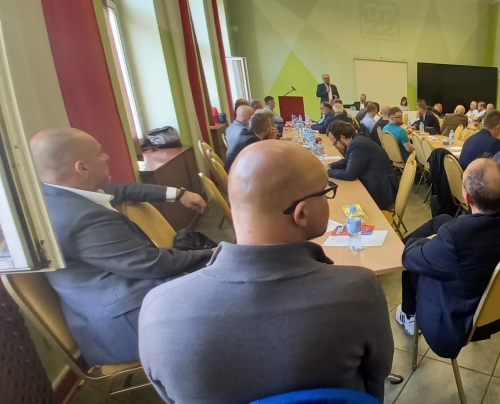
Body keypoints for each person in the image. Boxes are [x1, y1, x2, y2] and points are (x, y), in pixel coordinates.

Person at [140, 140, 393, 404]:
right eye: (326, 192)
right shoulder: (359, 290)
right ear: (302, 213)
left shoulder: (158, 308)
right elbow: (377, 374)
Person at [29, 128, 212, 366]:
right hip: (126, 324)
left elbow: (121, 190)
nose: (107, 157)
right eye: (100, 153)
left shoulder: (58, 197)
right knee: (227, 292)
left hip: (107, 303)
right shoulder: (81, 218)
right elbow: (153, 264)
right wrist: (211, 253)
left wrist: (178, 194)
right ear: (82, 167)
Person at [395, 158, 500, 359]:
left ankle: (408, 313)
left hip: (461, 322)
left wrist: (428, 241)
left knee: (412, 257)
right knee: (442, 220)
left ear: (467, 198)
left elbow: (408, 257)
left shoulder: (456, 237)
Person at [327, 121, 398, 210]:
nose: (335, 146)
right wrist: (330, 166)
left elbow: (349, 175)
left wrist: (327, 172)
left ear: (342, 137)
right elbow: (348, 160)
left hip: (381, 192)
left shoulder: (357, 145)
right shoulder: (356, 139)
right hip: (376, 183)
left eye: (335, 143)